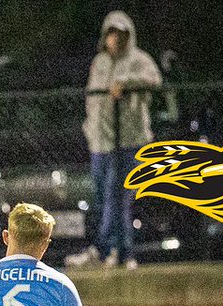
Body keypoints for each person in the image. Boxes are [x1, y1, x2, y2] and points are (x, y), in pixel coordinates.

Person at [67, 10, 162, 270]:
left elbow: (155, 80)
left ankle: (102, 249)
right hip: (100, 141)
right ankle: (122, 253)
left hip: (129, 141)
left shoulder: (139, 59)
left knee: (116, 196)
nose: (115, 39)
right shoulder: (99, 62)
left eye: (121, 34)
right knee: (105, 198)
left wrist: (127, 83)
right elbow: (91, 97)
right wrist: (89, 128)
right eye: (111, 33)